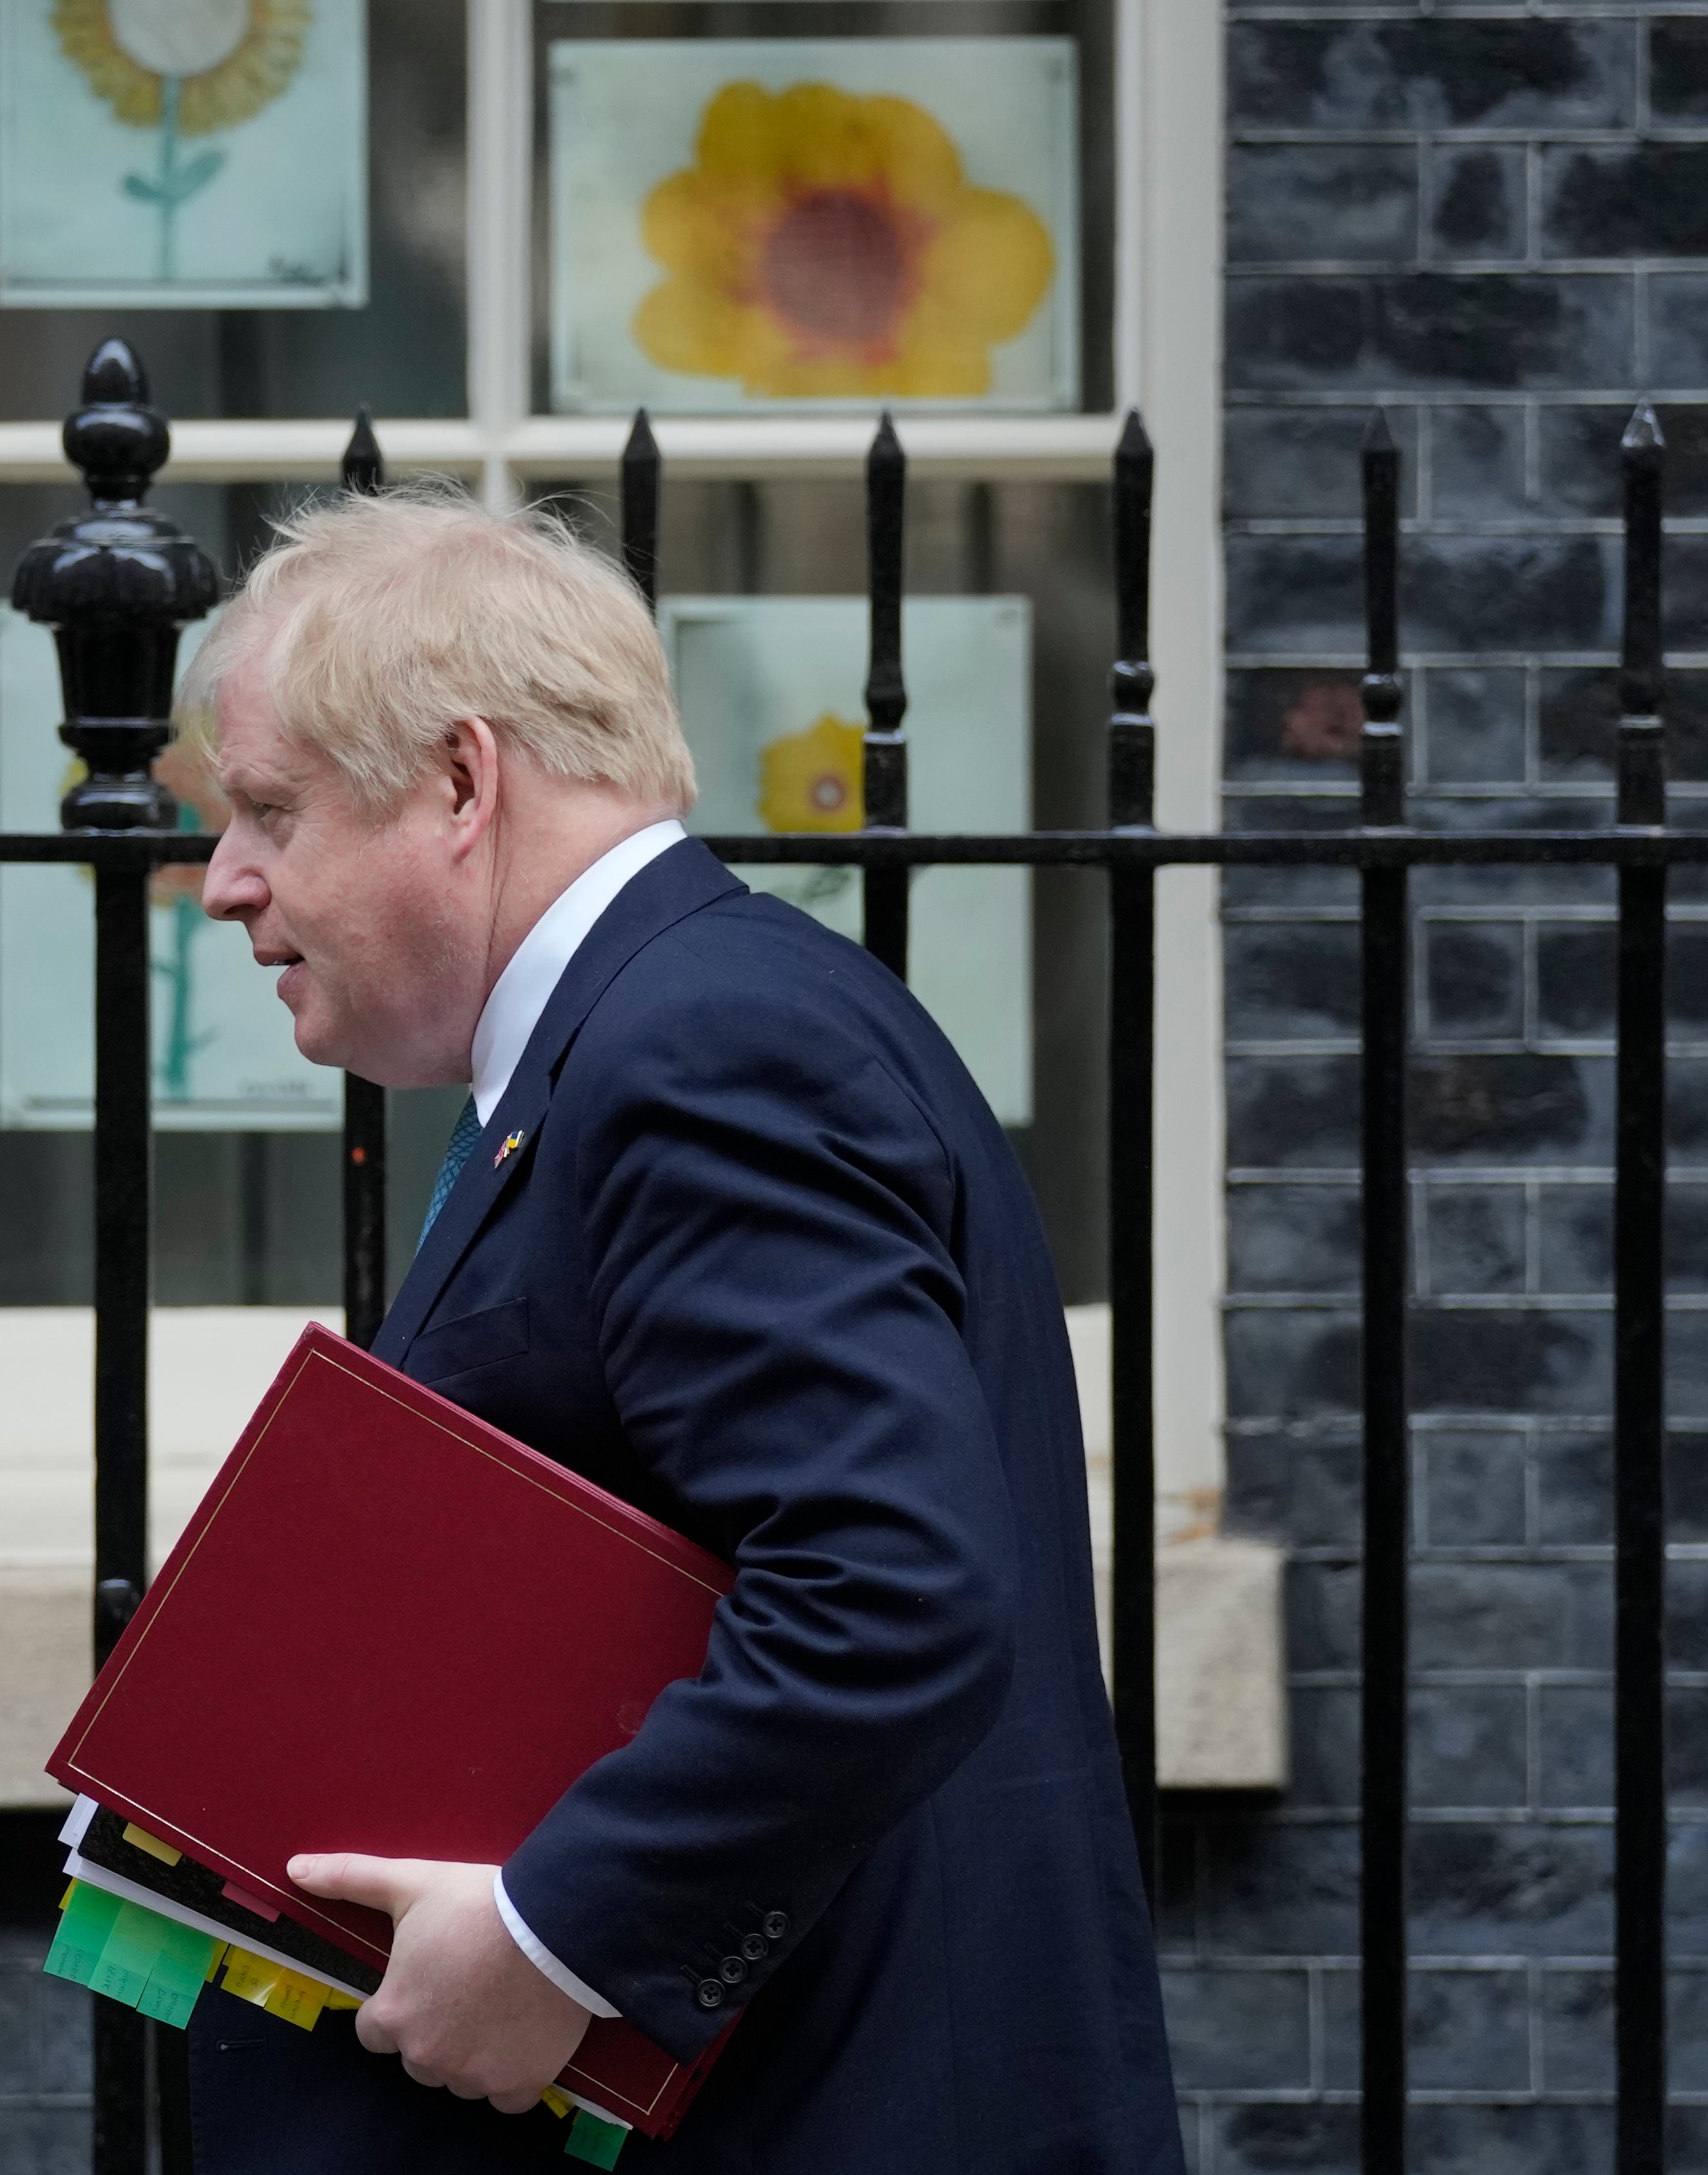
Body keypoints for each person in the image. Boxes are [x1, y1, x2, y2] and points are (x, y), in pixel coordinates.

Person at [181, 484, 1182, 2171]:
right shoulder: (659, 1026)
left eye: (267, 808)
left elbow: (889, 1593)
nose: (223, 881)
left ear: (458, 781)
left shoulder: (696, 1044)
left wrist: (554, 1939)